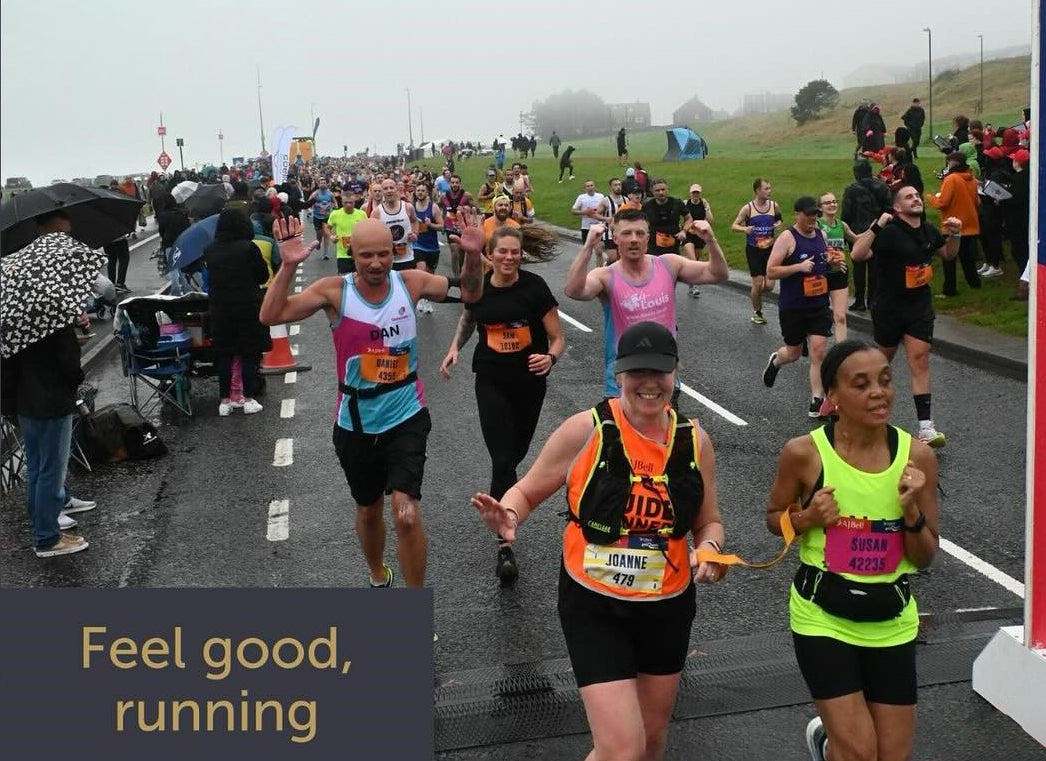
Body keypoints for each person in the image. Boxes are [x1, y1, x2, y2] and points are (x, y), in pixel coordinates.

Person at [470, 321, 726, 761]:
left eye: (659, 372)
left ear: (675, 374)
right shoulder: (585, 429)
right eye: (637, 372)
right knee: (622, 748)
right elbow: (528, 490)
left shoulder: (693, 440)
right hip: (595, 604)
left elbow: (709, 522)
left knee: (651, 740)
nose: (649, 384)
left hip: (667, 606)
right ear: (619, 374)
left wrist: (711, 550)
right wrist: (508, 516)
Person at [259, 216, 485, 592]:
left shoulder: (410, 282)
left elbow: (472, 294)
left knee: (407, 514)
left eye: (384, 254)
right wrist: (287, 266)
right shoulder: (333, 291)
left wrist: (474, 256)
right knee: (368, 509)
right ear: (352, 253)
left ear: (395, 251)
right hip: (355, 421)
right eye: (366, 256)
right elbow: (271, 315)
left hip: (406, 412)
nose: (377, 263)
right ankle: (378, 573)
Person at [766, 339, 938, 761]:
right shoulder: (804, 454)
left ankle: (828, 746)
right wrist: (807, 519)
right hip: (822, 615)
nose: (878, 393)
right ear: (833, 398)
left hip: (891, 618)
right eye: (861, 385)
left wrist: (911, 509)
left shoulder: (917, 458)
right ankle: (836, 744)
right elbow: (773, 517)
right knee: (861, 753)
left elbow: (926, 556)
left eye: (884, 381)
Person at [440, 226, 565, 584]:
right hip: (491, 380)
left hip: (529, 384)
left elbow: (557, 338)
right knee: (503, 459)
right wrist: (453, 349)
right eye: (502, 252)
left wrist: (550, 359)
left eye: (515, 253)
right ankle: (504, 544)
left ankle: (507, 511)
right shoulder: (480, 287)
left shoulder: (535, 287)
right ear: (489, 255)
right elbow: (469, 318)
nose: (509, 258)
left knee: (517, 452)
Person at [1, 212, 99, 557]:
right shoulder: (49, 315)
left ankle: (46, 525)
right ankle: (47, 538)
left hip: (27, 401)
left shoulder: (14, 314)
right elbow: (67, 365)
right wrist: (74, 341)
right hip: (51, 399)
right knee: (48, 470)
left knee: (39, 468)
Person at [564, 207, 728, 400]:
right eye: (626, 233)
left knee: (668, 430)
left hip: (664, 377)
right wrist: (588, 246)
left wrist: (711, 239)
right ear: (615, 239)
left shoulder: (669, 264)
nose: (634, 239)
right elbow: (574, 291)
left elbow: (718, 274)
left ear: (647, 238)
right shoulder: (606, 276)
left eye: (639, 233)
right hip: (623, 382)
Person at [850, 186, 962, 447]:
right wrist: (877, 225)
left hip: (919, 306)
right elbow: (857, 254)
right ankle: (853, 409)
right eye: (908, 197)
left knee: (919, 358)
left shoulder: (928, 230)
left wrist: (955, 233)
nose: (916, 199)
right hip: (889, 307)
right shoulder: (889, 233)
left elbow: (948, 254)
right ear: (897, 207)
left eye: (916, 196)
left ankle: (926, 427)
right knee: (880, 365)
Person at [762, 196, 838, 419]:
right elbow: (771, 271)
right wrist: (798, 267)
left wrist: (831, 264)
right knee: (793, 353)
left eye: (815, 214)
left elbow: (821, 263)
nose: (813, 218)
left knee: (819, 351)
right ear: (797, 215)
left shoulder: (821, 235)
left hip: (819, 304)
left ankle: (817, 399)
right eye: (808, 215)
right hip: (793, 306)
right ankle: (776, 360)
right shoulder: (787, 238)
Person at [204, 209, 273, 416]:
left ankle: (225, 400)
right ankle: (248, 398)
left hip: (219, 308)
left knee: (224, 354)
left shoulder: (210, 250)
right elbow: (262, 276)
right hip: (247, 307)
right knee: (249, 353)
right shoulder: (248, 248)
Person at [925, 152, 981, 296]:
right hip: (970, 223)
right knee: (967, 256)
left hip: (952, 224)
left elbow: (943, 202)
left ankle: (950, 289)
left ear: (953, 163)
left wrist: (930, 198)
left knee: (949, 258)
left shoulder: (951, 179)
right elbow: (977, 202)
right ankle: (974, 283)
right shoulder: (972, 179)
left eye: (949, 162)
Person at [732, 178, 782, 324]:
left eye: (770, 188)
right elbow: (734, 226)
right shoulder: (748, 208)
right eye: (766, 188)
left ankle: (755, 294)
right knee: (758, 283)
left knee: (770, 286)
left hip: (770, 250)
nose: (769, 191)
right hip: (753, 250)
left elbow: (779, 219)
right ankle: (757, 312)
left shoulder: (774, 206)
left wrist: (778, 224)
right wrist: (744, 229)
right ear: (757, 191)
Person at [841, 161, 891, 311]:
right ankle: (873, 299)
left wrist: (844, 235)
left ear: (856, 173)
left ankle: (859, 300)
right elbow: (889, 209)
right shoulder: (883, 186)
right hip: (879, 232)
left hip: (858, 234)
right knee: (875, 267)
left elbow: (846, 214)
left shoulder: (851, 189)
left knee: (859, 268)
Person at [816, 192, 857, 343]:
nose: (832, 204)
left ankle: (841, 354)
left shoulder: (842, 225)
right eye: (827, 202)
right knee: (819, 315)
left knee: (840, 316)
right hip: (821, 275)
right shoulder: (817, 225)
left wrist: (875, 229)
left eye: (834, 202)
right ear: (820, 208)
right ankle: (806, 339)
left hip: (839, 273)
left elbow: (856, 239)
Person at [371, 178, 419, 272]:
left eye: (391, 188)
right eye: (385, 189)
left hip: (407, 257)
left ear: (396, 189)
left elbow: (415, 221)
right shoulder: (377, 212)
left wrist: (415, 233)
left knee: (407, 286)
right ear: (382, 192)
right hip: (387, 261)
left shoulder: (407, 207)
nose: (389, 191)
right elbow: (372, 235)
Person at [412, 182, 444, 314]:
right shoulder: (411, 207)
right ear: (415, 192)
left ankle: (427, 300)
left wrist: (430, 225)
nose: (420, 192)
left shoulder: (434, 207)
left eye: (422, 190)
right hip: (417, 245)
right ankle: (419, 297)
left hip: (432, 247)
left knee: (430, 275)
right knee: (421, 269)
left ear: (427, 193)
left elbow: (441, 226)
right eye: (418, 190)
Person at [642, 179, 691, 259]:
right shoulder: (647, 206)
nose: (661, 193)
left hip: (673, 245)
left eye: (663, 189)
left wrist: (684, 231)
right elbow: (642, 222)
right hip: (654, 246)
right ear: (652, 192)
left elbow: (688, 218)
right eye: (657, 190)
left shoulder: (677, 203)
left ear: (667, 189)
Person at [440, 174, 476, 278]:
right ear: (449, 183)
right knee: (454, 252)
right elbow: (440, 208)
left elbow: (476, 209)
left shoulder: (467, 195)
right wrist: (442, 222)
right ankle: (457, 277)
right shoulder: (444, 196)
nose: (454, 184)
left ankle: (461, 271)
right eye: (452, 182)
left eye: (457, 182)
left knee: (461, 253)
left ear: (460, 183)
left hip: (463, 227)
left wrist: (466, 208)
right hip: (450, 227)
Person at [682, 183, 714, 297]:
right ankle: (694, 285)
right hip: (689, 234)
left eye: (697, 193)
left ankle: (690, 282)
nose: (695, 195)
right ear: (690, 193)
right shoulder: (685, 203)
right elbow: (680, 217)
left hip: (700, 235)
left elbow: (710, 220)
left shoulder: (704, 203)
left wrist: (707, 209)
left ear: (700, 193)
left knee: (695, 261)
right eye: (693, 192)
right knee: (693, 259)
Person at [326, 189, 368, 275]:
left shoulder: (361, 214)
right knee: (344, 280)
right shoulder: (335, 214)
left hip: (358, 253)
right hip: (342, 254)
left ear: (354, 202)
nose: (348, 205)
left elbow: (367, 230)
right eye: (346, 202)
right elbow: (327, 228)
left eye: (351, 202)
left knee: (359, 279)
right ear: (342, 202)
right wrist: (331, 237)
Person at [596, 177, 627, 264]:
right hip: (609, 233)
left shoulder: (626, 200)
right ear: (611, 187)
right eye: (615, 185)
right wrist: (605, 218)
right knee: (612, 258)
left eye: (619, 185)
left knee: (622, 258)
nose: (618, 187)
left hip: (622, 232)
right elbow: (596, 214)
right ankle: (606, 266)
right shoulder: (605, 201)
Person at [304, 178, 335, 259]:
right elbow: (309, 202)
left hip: (326, 217)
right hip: (317, 217)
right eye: (321, 183)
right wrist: (309, 210)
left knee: (326, 234)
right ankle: (318, 242)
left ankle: (326, 253)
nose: (323, 184)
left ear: (327, 184)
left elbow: (334, 202)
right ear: (318, 184)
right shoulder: (315, 194)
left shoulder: (330, 194)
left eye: (324, 183)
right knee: (319, 235)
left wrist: (335, 208)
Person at [572, 180, 605, 248]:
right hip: (586, 227)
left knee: (599, 249)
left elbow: (605, 208)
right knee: (587, 249)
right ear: (585, 189)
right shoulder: (581, 197)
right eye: (588, 186)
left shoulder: (600, 196)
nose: (590, 187)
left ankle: (599, 258)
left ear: (594, 186)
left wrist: (597, 212)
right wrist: (585, 212)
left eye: (591, 185)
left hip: (598, 225)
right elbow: (573, 211)